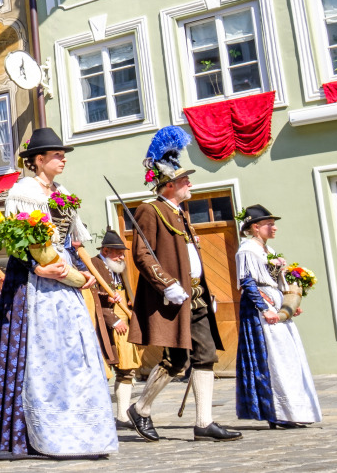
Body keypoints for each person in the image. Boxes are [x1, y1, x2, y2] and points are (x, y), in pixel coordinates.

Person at [0, 127, 117, 458]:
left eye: (62, 153)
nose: (62, 158)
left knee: (73, 354)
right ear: (38, 160)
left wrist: (80, 271)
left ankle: (83, 433)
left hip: (63, 277)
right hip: (35, 282)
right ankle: (41, 436)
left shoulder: (62, 191)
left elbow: (72, 240)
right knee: (41, 356)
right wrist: (35, 267)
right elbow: (14, 240)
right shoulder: (24, 191)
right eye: (56, 154)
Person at [127, 126, 241, 443]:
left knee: (205, 356)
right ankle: (141, 408)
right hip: (173, 297)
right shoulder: (150, 210)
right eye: (185, 179)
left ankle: (204, 423)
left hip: (196, 296)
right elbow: (143, 255)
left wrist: (206, 290)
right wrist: (167, 285)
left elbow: (192, 256)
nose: (190, 183)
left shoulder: (181, 213)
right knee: (175, 360)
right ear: (170, 184)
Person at [235, 205, 321, 427]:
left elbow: (278, 282)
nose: (274, 228)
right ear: (255, 227)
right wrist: (265, 309)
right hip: (260, 311)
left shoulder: (269, 250)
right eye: (269, 224)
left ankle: (293, 411)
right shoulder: (247, 250)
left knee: (288, 359)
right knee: (272, 360)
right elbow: (247, 282)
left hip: (276, 307)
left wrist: (289, 304)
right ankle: (277, 413)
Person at [88, 229, 142, 427]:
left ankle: (122, 415)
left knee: (127, 370)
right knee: (103, 371)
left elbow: (126, 293)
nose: (122, 256)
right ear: (105, 250)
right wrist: (113, 320)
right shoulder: (94, 264)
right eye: (118, 252)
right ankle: (98, 415)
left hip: (125, 322)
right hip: (105, 324)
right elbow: (93, 298)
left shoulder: (119, 266)